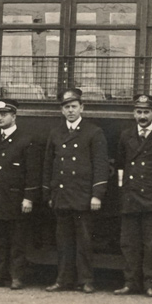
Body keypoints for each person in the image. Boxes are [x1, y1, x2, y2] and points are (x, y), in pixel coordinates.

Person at [42, 88, 109, 293]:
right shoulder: (56, 133)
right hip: (62, 195)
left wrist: (97, 194)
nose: (70, 111)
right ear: (62, 111)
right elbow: (48, 165)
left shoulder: (93, 132)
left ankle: (86, 280)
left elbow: (100, 166)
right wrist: (49, 193)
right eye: (66, 107)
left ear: (82, 108)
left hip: (82, 196)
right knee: (63, 242)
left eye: (73, 106)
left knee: (84, 242)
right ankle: (63, 280)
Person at [114, 93, 152, 296]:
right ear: (134, 113)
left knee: (151, 244)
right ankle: (130, 282)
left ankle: (150, 283)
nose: (143, 116)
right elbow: (121, 165)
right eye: (139, 112)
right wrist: (124, 191)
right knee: (129, 243)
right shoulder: (126, 135)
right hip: (131, 197)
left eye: (147, 112)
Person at [0, 98, 40, 289]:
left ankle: (16, 277)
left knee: (17, 241)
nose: (0, 118)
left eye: (4, 115)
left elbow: (32, 172)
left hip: (14, 198)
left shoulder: (26, 139)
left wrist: (29, 197)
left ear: (14, 116)